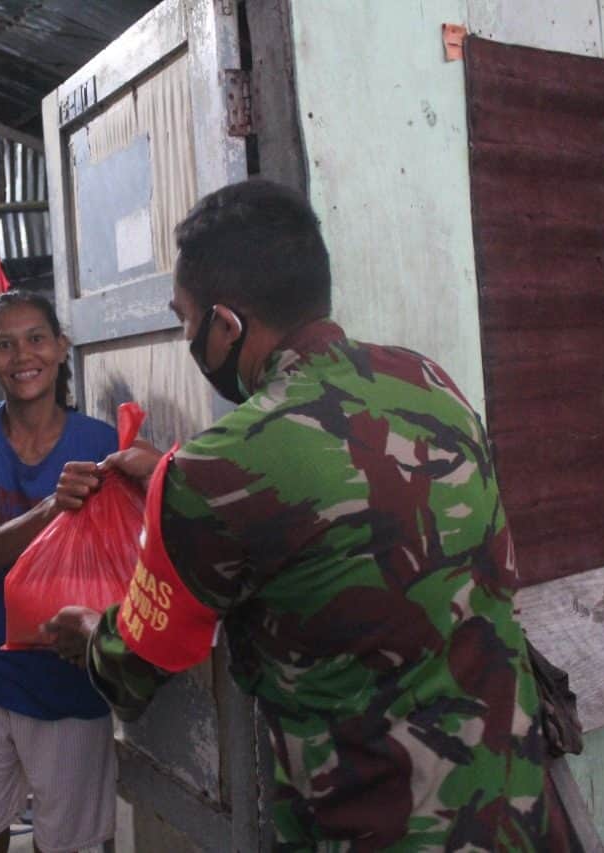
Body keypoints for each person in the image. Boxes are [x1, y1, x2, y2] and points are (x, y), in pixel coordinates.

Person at [45, 180, 572, 851]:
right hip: (517, 806)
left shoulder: (216, 473)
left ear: (226, 326)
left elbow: (136, 660)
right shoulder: (428, 381)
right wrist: (175, 472)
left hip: (379, 827)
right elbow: (338, 481)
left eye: (184, 319)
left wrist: (90, 634)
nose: (185, 337)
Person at [0, 290, 118, 853]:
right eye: (3, 344)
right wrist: (53, 505)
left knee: (67, 844)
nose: (22, 355)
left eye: (36, 338)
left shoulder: (101, 444)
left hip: (70, 676)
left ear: (62, 347)